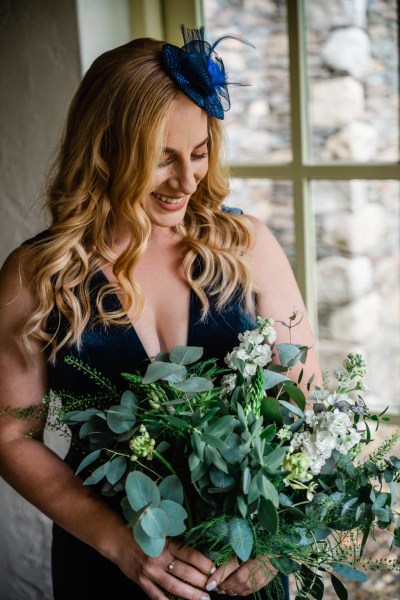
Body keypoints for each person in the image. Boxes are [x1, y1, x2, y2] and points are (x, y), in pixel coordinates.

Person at [0, 26, 321, 600]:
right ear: (104, 152)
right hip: (110, 566)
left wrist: (275, 538)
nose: (188, 180)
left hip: (246, 567)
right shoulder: (35, 274)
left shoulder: (247, 246)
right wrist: (121, 542)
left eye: (199, 153)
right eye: (161, 159)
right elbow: (10, 435)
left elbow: (306, 399)